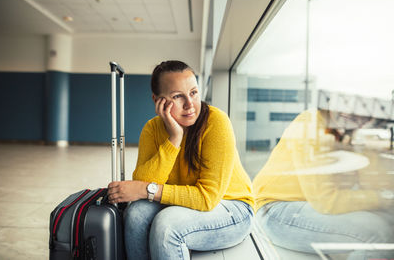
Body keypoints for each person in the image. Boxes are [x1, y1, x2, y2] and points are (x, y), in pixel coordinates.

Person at [107, 60, 254, 260]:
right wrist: (174, 138)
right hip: (186, 202)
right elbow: (143, 181)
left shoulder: (216, 122)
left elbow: (206, 198)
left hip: (231, 207)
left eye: (193, 93)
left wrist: (147, 190)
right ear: (157, 100)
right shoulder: (152, 129)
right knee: (135, 215)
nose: (190, 104)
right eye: (177, 96)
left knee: (167, 226)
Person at [253, 110, 394, 259]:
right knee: (380, 234)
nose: (363, 119)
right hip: (276, 211)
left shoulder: (343, 131)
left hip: (303, 204)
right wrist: (384, 198)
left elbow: (368, 181)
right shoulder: (311, 125)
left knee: (390, 222)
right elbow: (326, 201)